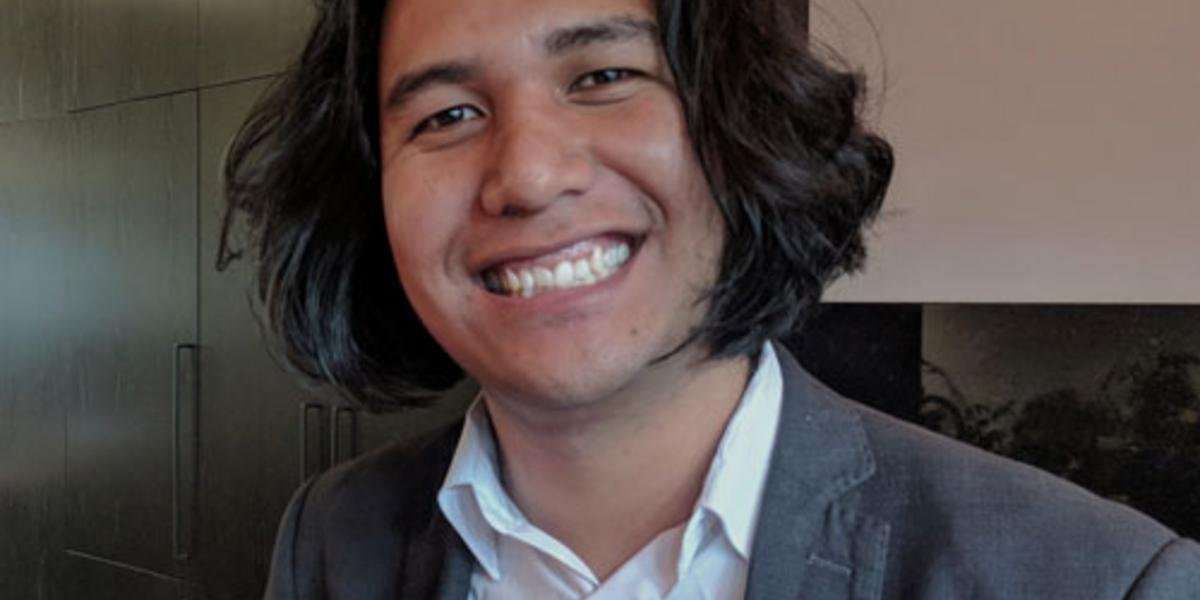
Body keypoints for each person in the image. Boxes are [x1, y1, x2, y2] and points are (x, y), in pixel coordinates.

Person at [220, 0, 1200, 598]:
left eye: (604, 76)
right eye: (448, 115)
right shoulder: (334, 540)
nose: (527, 175)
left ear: (743, 129)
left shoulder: (1097, 579)